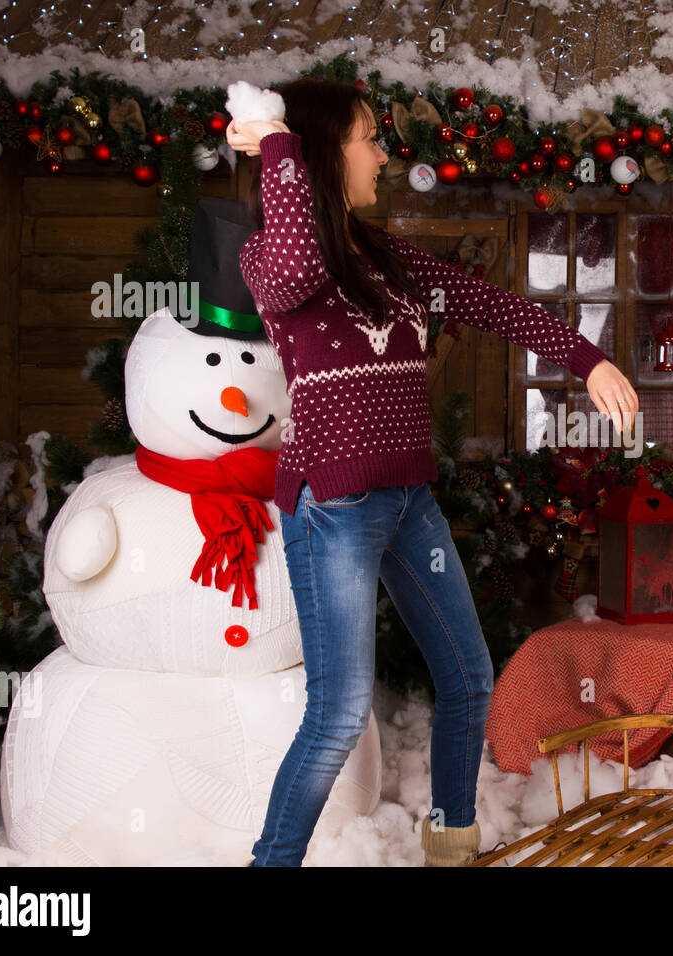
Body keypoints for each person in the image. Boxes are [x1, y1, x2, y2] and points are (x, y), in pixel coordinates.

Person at [227, 79, 639, 866]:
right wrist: (279, 144)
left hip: (409, 499)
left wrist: (586, 361)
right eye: (368, 138)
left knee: (469, 679)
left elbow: (492, 305)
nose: (384, 153)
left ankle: (452, 843)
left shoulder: (385, 256)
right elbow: (288, 269)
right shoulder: (275, 256)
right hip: (334, 507)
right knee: (339, 714)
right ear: (320, 153)